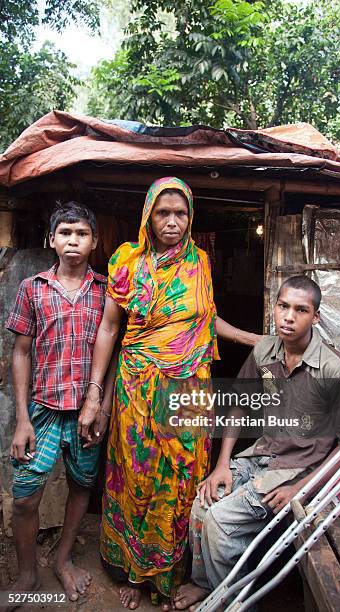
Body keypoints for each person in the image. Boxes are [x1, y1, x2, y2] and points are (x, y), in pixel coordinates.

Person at [79, 177, 261, 610]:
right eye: (164, 212)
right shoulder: (127, 260)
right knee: (136, 478)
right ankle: (133, 573)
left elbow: (207, 320)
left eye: (181, 213)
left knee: (181, 481)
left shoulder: (200, 262)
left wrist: (254, 339)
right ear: (148, 215)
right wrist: (94, 395)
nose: (173, 221)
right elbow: (108, 328)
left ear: (191, 217)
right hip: (136, 390)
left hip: (188, 392)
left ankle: (171, 576)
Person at [174, 275, 340, 611]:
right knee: (202, 503)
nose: (289, 317)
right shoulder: (265, 350)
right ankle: (208, 586)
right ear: (275, 309)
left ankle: (235, 604)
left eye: (301, 310)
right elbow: (238, 405)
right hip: (263, 454)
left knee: (221, 522)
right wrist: (222, 465)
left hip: (299, 469)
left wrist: (301, 488)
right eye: (283, 307)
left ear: (315, 317)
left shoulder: (334, 369)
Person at [5, 202, 113, 607]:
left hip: (87, 412)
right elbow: (20, 353)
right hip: (44, 410)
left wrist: (100, 405)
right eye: (65, 232)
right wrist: (21, 420)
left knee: (81, 486)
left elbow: (117, 350)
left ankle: (64, 559)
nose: (73, 240)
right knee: (24, 497)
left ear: (94, 241)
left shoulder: (106, 291)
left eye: (82, 234)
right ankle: (28, 572)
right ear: (52, 239)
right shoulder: (32, 287)